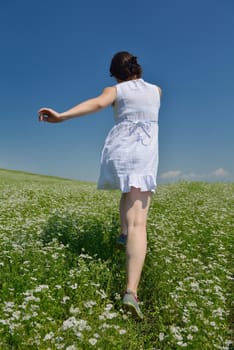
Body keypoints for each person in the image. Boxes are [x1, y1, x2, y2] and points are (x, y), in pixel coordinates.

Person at [38, 51, 162, 319]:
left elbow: (97, 103)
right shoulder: (157, 91)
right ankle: (131, 291)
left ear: (115, 72)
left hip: (120, 150)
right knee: (139, 220)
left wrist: (62, 116)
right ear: (137, 68)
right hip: (142, 153)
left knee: (126, 192)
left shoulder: (115, 89)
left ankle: (122, 233)